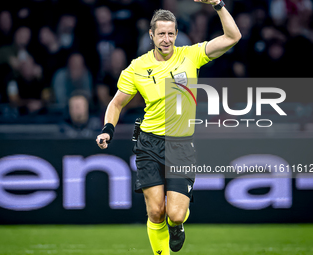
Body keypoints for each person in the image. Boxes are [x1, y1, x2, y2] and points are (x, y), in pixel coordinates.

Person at [96, 1, 241, 254]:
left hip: (181, 145)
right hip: (149, 142)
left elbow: (233, 36)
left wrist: (218, 5)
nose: (166, 39)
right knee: (155, 211)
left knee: (174, 214)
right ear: (151, 35)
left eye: (170, 33)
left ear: (176, 34)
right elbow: (116, 103)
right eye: (161, 33)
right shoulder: (137, 67)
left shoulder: (191, 55)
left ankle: (178, 223)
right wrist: (108, 128)